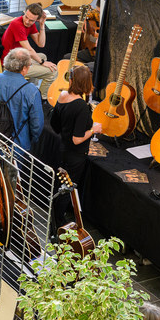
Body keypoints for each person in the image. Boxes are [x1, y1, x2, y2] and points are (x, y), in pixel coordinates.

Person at [50, 64, 101, 229]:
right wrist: (93, 130)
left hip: (61, 149)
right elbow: (77, 139)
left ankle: (56, 216)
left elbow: (54, 125)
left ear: (71, 80)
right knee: (67, 188)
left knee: (60, 185)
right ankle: (58, 223)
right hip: (75, 155)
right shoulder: (81, 107)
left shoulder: (62, 96)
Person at [0, 47, 45, 151]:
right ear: (24, 68)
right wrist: (31, 140)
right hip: (15, 148)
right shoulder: (31, 91)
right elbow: (37, 126)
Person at [1, 3, 58, 99]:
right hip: (11, 64)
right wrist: (42, 62)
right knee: (53, 72)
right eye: (26, 17)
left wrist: (42, 24)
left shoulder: (31, 25)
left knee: (43, 56)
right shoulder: (17, 24)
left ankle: (30, 89)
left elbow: (41, 44)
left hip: (19, 57)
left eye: (31, 20)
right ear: (25, 12)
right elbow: (29, 49)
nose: (27, 21)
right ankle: (41, 99)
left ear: (37, 20)